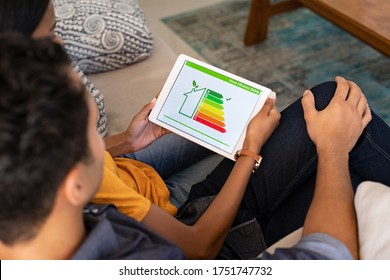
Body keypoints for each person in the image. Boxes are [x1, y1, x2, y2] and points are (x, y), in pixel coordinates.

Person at [2, 1, 390, 260]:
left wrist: (122, 143)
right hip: (198, 226)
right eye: (92, 134)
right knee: (334, 125)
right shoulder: (139, 255)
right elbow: (323, 260)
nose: (102, 148)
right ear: (73, 183)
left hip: (161, 200)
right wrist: (330, 149)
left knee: (256, 115)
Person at [0, 0, 223, 210]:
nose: (61, 42)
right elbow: (195, 243)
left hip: (123, 169)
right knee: (242, 149)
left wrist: (127, 141)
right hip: (152, 197)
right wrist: (250, 155)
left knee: (226, 127)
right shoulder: (32, 132)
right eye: (49, 35)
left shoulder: (34, 111)